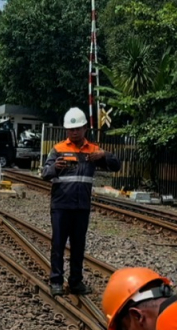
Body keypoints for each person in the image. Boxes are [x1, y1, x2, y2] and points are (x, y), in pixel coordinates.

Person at [41, 107, 120, 296]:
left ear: (85, 128)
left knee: (78, 246)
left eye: (77, 129)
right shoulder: (58, 149)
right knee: (58, 245)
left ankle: (76, 282)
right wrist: (54, 168)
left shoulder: (93, 151)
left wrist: (105, 155)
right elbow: (44, 173)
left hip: (81, 206)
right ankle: (56, 281)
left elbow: (116, 165)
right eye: (70, 129)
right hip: (61, 206)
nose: (74, 132)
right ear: (66, 130)